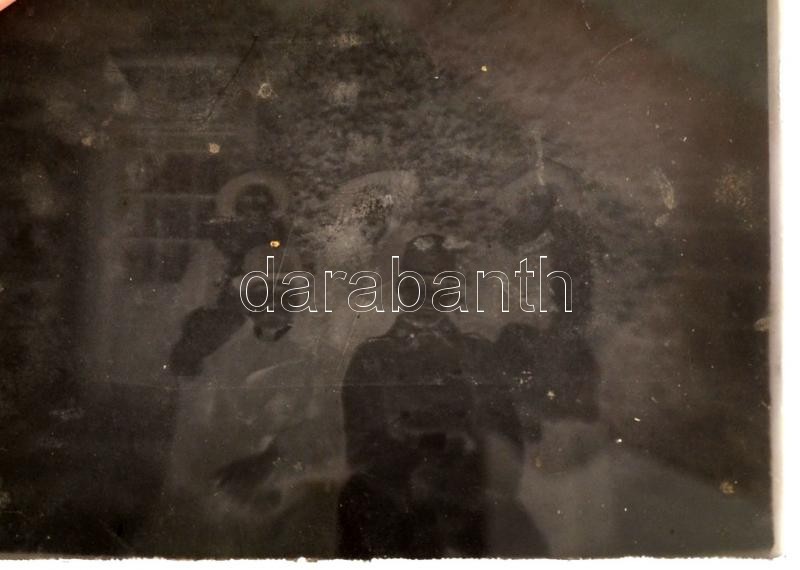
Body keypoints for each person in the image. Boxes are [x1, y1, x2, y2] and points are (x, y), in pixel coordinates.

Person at [337, 234, 548, 558]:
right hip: (394, 500)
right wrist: (414, 470)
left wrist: (455, 477)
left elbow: (506, 442)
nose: (426, 298)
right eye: (415, 287)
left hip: (466, 497)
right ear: (400, 289)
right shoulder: (372, 358)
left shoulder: (478, 354)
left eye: (440, 288)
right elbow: (362, 447)